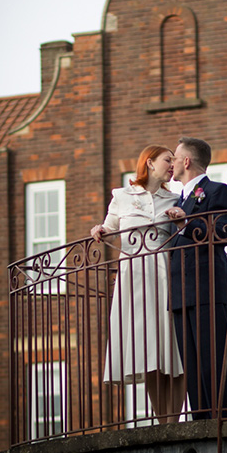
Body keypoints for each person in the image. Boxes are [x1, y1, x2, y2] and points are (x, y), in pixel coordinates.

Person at [90, 145, 185, 424]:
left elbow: (184, 237)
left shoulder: (175, 198)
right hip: (133, 279)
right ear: (150, 162)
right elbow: (109, 230)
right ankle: (163, 422)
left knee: (172, 348)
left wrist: (181, 222)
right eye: (167, 160)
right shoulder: (122, 195)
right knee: (149, 349)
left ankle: (173, 422)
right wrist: (100, 231)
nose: (172, 164)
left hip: (165, 275)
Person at [165, 137, 227, 419]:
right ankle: (201, 422)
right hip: (180, 292)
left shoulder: (216, 190)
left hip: (207, 287)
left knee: (215, 359)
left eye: (175, 158)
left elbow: (226, 231)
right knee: (193, 365)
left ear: (186, 161)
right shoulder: (177, 199)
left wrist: (187, 223)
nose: (171, 163)